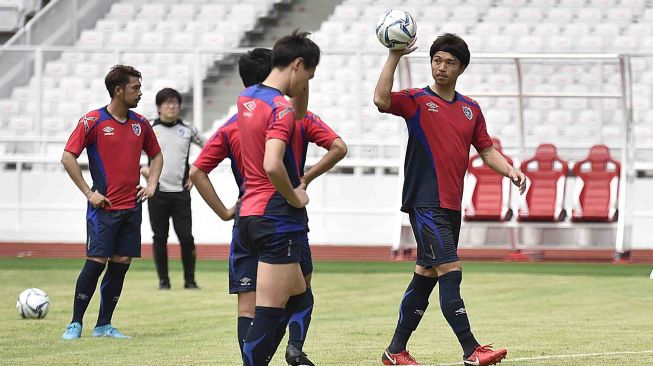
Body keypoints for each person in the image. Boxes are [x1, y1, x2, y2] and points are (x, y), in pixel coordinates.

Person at [374, 33, 527, 366]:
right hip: (424, 203)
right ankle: (472, 349)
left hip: (450, 206)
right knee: (450, 272)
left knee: (425, 278)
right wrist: (394, 56)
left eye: (450, 62)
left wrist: (511, 171)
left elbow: (486, 150)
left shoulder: (471, 109)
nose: (441, 67)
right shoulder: (415, 99)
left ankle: (395, 350)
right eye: (436, 60)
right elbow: (381, 100)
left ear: (461, 68)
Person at [190, 47, 346, 366]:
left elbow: (196, 171)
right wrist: (300, 186)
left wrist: (224, 212)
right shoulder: (289, 116)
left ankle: (279, 354)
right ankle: (293, 350)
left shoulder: (238, 117)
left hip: (246, 217)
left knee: (252, 304)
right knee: (295, 296)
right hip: (280, 217)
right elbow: (333, 147)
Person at [234, 31, 320, 366]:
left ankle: (293, 354)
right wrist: (295, 196)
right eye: (307, 77)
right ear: (297, 65)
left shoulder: (247, 99)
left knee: (301, 299)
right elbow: (272, 163)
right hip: (276, 217)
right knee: (268, 314)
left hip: (249, 214)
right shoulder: (280, 109)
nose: (304, 86)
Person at [60, 65, 163, 340]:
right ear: (119, 90)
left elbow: (156, 155)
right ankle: (75, 323)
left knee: (120, 264)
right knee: (95, 263)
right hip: (102, 209)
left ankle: (104, 325)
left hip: (131, 208)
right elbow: (68, 157)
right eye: (135, 88)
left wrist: (152, 184)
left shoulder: (141, 124)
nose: (140, 93)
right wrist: (88, 192)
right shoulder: (92, 121)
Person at [141, 87, 205, 290]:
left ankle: (190, 281)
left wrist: (195, 174)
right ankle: (163, 281)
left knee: (186, 237)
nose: (171, 107)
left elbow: (210, 149)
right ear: (159, 107)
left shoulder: (188, 129)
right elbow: (130, 152)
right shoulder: (149, 128)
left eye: (175, 103)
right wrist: (145, 172)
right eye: (167, 103)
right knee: (160, 237)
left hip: (180, 193)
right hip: (157, 193)